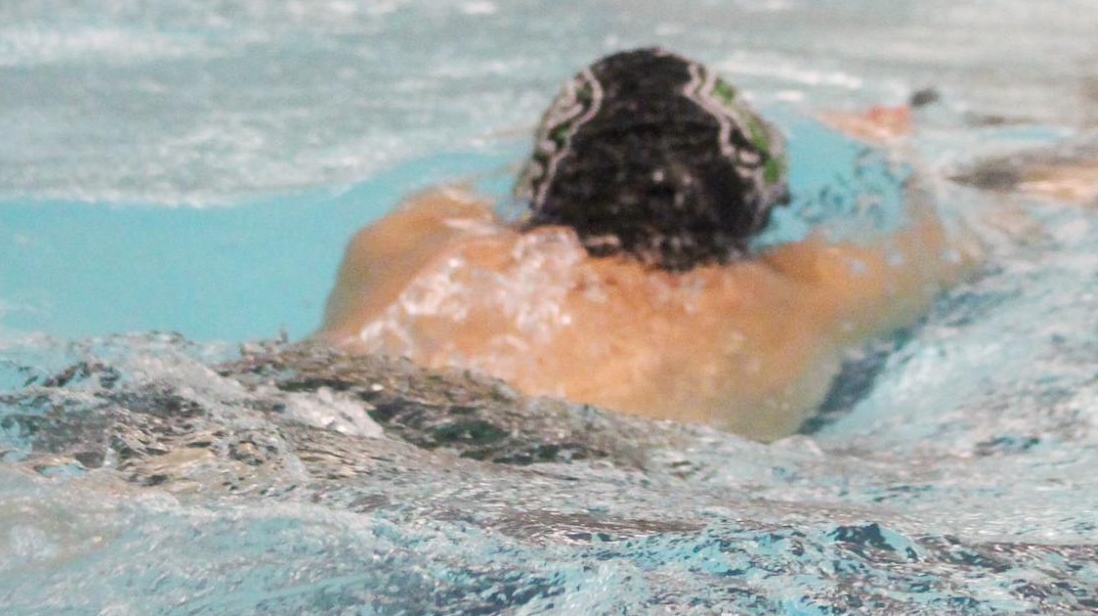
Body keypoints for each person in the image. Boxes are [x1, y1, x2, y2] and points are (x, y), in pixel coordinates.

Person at [317, 48, 975, 441]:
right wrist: (887, 146)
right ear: (754, 200)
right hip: (604, 497)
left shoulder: (419, 236)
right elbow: (953, 235)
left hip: (340, 427)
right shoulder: (810, 292)